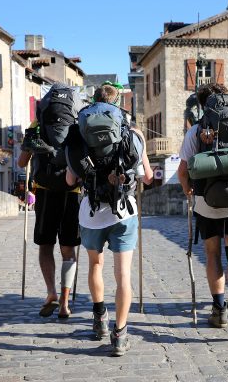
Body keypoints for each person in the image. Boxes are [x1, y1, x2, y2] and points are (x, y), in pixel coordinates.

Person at [65, 83, 153, 356]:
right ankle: (120, 334)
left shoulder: (79, 132)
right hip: (124, 211)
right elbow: (148, 177)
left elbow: (70, 180)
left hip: (91, 213)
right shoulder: (133, 133)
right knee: (123, 275)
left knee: (95, 265)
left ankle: (100, 317)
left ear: (94, 103)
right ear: (118, 105)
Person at [177, 83, 228, 336]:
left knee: (212, 255)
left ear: (203, 105)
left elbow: (183, 171)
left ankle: (219, 310)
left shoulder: (196, 131)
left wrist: (187, 189)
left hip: (207, 201)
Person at [17, 82, 84, 319]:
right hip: (72, 189)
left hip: (44, 188)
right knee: (69, 250)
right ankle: (66, 302)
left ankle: (51, 292)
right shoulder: (77, 123)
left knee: (46, 245)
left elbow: (21, 163)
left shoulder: (37, 124)